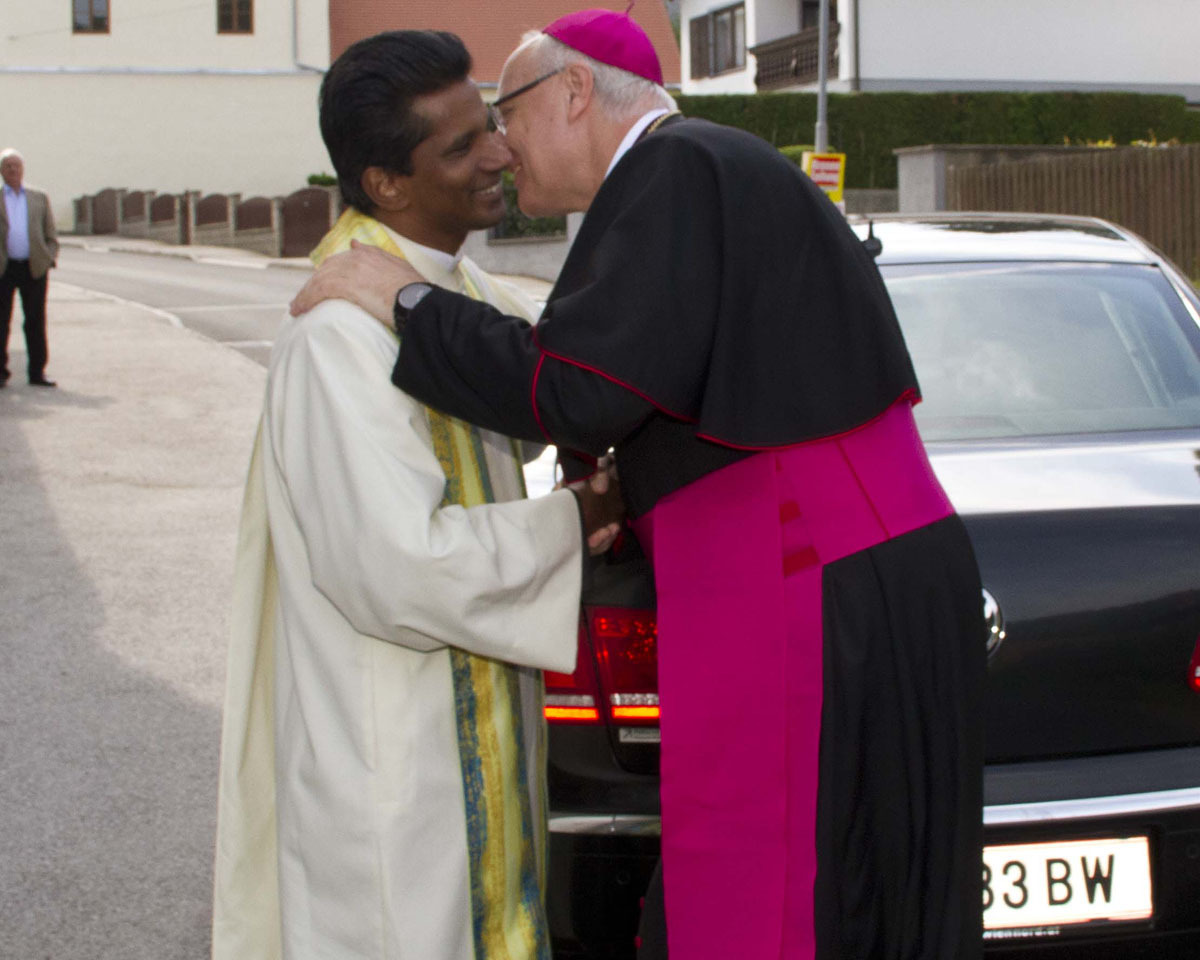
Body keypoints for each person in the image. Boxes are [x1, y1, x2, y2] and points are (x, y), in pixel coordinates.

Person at [290, 10, 987, 960]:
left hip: (802, 578)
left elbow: (575, 388)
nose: (503, 147)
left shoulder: (672, 169)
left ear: (573, 92)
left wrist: (405, 301)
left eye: (507, 113)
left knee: (770, 899)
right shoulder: (704, 167)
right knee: (856, 885)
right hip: (841, 567)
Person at [211, 30, 622, 960]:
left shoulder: (452, 287)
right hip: (396, 774)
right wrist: (581, 516)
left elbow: (550, 387)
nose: (500, 154)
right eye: (461, 146)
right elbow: (398, 568)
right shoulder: (338, 338)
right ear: (385, 183)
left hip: (468, 739)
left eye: (491, 126)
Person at [0, 148, 58, 388]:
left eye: (16, 166)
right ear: (1, 171)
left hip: (33, 267)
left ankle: (37, 372)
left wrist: (49, 257)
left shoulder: (38, 197)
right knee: (1, 320)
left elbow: (50, 233)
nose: (13, 170)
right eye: (8, 166)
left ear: (23, 169)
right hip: (4, 268)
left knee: (35, 320)